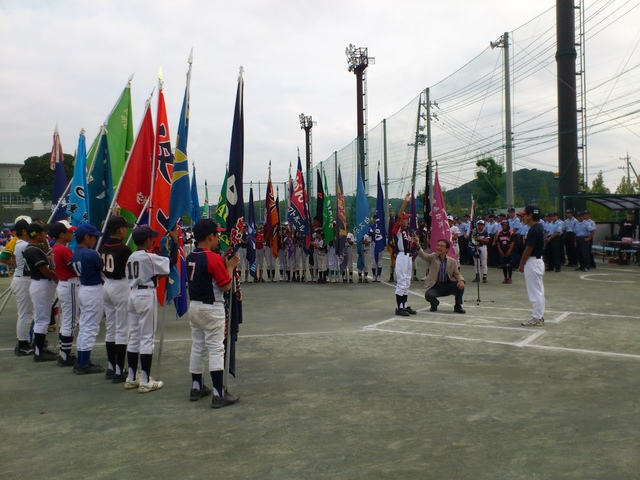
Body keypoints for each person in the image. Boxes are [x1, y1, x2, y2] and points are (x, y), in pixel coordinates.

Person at [186, 219, 241, 408]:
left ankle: (196, 385)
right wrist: (230, 267)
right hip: (211, 307)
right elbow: (225, 286)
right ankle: (219, 393)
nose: (219, 237)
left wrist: (223, 261)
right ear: (210, 236)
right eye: (217, 234)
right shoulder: (212, 258)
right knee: (216, 348)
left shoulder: (191, 255)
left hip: (194, 306)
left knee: (198, 346)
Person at [124, 225, 174, 393]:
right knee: (147, 337)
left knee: (134, 336)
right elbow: (170, 262)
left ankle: (132, 377)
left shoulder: (132, 256)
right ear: (147, 240)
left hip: (132, 294)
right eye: (151, 237)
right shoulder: (147, 257)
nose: (153, 239)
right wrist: (174, 240)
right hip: (145, 295)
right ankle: (145, 380)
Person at [99, 215, 134, 382]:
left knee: (111, 326)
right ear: (120, 229)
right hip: (120, 285)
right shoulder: (123, 249)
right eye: (124, 227)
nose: (126, 230)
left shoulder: (104, 246)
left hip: (107, 284)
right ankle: (120, 370)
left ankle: (111, 367)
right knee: (122, 328)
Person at [71, 223, 106, 374]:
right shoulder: (90, 253)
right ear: (86, 237)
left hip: (84, 288)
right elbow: (103, 269)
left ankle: (82, 360)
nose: (94, 240)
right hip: (93, 290)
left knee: (85, 325)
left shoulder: (76, 252)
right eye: (93, 237)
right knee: (90, 327)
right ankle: (83, 363)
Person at [23, 222, 59, 362]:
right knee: (42, 319)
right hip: (41, 283)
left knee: (42, 318)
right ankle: (39, 351)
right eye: (43, 233)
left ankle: (40, 348)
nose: (46, 234)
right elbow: (45, 270)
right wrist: (58, 279)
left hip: (40, 284)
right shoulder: (33, 250)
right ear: (37, 235)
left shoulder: (33, 248)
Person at [49, 221, 79, 366]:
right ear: (62, 234)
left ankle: (64, 353)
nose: (72, 234)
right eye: (69, 232)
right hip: (69, 283)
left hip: (64, 283)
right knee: (70, 320)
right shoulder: (63, 249)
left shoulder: (56, 248)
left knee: (67, 319)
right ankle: (65, 356)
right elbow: (74, 268)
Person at [414, 238, 466, 314]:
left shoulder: (452, 261)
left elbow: (457, 273)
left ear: (447, 249)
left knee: (461, 285)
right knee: (428, 295)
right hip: (435, 286)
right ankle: (434, 303)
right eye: (438, 245)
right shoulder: (432, 257)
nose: (439, 247)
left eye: (442, 246)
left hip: (446, 285)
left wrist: (461, 280)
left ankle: (458, 306)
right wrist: (417, 245)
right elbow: (423, 255)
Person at [8, 217, 35, 356]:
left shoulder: (20, 244)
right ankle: (23, 344)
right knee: (26, 314)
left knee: (25, 313)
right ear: (24, 231)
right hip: (23, 280)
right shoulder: (23, 245)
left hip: (21, 279)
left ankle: (23, 342)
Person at [518, 205, 546, 326]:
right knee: (538, 290)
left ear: (530, 215)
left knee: (535, 292)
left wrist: (521, 263)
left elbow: (528, 249)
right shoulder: (538, 227)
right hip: (536, 261)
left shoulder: (535, 229)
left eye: (525, 215)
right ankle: (538, 316)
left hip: (533, 261)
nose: (523, 217)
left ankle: (537, 317)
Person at [390, 193, 417, 316]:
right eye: (404, 218)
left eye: (407, 218)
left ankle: (405, 305)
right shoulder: (398, 229)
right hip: (401, 256)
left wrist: (416, 241)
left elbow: (412, 244)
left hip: (408, 257)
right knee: (401, 281)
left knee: (407, 281)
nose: (406, 220)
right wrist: (405, 202)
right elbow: (399, 215)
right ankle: (399, 307)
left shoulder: (407, 231)